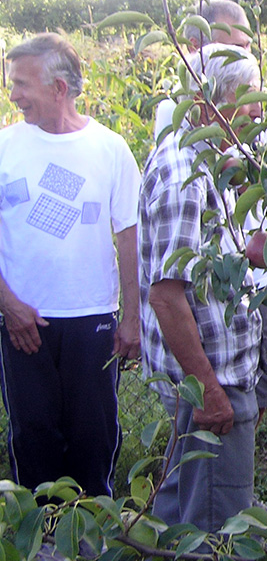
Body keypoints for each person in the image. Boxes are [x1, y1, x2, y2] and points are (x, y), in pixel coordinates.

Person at [0, 33, 141, 497]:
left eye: (22, 84)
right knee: (34, 435)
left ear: (59, 88)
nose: (14, 95)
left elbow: (128, 237)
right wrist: (9, 306)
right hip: (25, 322)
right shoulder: (5, 146)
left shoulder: (110, 149)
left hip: (91, 320)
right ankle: (39, 535)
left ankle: (96, 533)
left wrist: (132, 320)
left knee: (93, 436)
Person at [139, 43, 264, 530]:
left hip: (210, 372)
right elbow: (166, 296)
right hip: (211, 380)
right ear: (212, 100)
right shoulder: (182, 177)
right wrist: (209, 391)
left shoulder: (207, 156)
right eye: (250, 95)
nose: (258, 108)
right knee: (219, 518)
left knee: (187, 496)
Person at [154, 0, 252, 139]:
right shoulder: (175, 109)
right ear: (195, 47)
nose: (247, 57)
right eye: (235, 49)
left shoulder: (250, 99)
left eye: (248, 46)